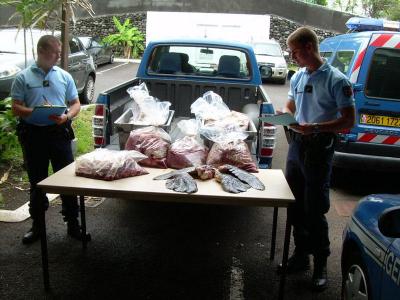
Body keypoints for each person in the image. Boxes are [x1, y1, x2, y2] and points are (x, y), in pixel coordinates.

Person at [277, 27, 355, 291]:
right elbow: (291, 105)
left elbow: (348, 120)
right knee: (294, 203)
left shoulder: (336, 80)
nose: (293, 57)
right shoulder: (298, 76)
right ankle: (301, 256)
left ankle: (321, 263)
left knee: (315, 206)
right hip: (297, 146)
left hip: (319, 148)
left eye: (295, 51)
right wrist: (284, 113)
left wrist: (317, 128)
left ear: (309, 47)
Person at [11, 35, 84, 244]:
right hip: (33, 135)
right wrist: (33, 112)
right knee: (37, 183)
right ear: (42, 51)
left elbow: (76, 103)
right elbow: (15, 107)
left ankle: (73, 225)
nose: (59, 56)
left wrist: (67, 116)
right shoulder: (23, 77)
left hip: (58, 133)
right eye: (55, 52)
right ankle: (37, 227)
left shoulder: (64, 76)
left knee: (68, 182)